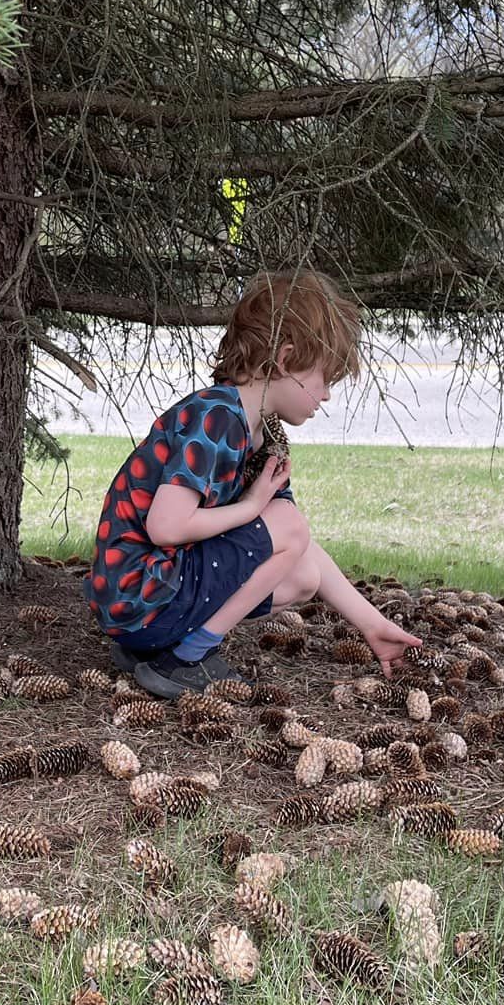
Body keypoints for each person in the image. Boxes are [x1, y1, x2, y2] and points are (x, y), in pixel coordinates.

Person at [84, 269, 422, 698]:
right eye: (325, 379)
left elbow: (294, 539)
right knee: (286, 526)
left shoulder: (261, 433)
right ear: (285, 359)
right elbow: (165, 528)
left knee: (303, 573)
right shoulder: (217, 418)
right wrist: (250, 507)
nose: (327, 396)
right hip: (138, 597)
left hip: (151, 603)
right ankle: (185, 660)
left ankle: (161, 648)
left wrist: (373, 624)